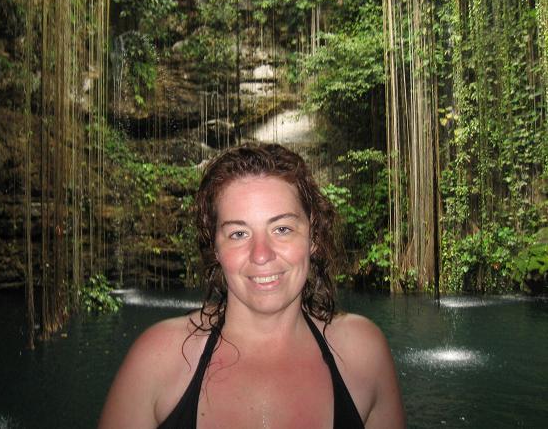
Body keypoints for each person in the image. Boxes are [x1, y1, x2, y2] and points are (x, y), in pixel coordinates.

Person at [99, 142, 405, 428]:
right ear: (215, 248)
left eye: (282, 229)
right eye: (238, 234)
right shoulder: (158, 360)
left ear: (313, 237)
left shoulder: (364, 354)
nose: (261, 255)